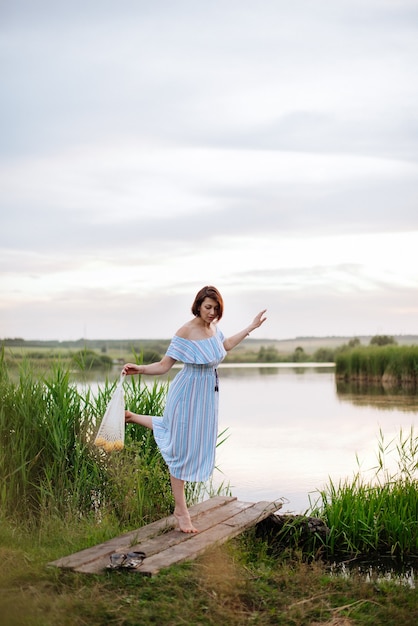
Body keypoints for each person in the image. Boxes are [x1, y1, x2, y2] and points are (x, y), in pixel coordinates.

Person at [122, 285, 267, 533]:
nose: (212, 312)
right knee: (180, 448)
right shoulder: (186, 332)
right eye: (208, 307)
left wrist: (251, 327)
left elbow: (225, 346)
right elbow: (164, 366)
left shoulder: (213, 329)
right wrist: (141, 369)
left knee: (187, 439)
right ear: (198, 305)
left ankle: (132, 417)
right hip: (187, 391)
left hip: (207, 394)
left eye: (216, 308)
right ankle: (181, 511)